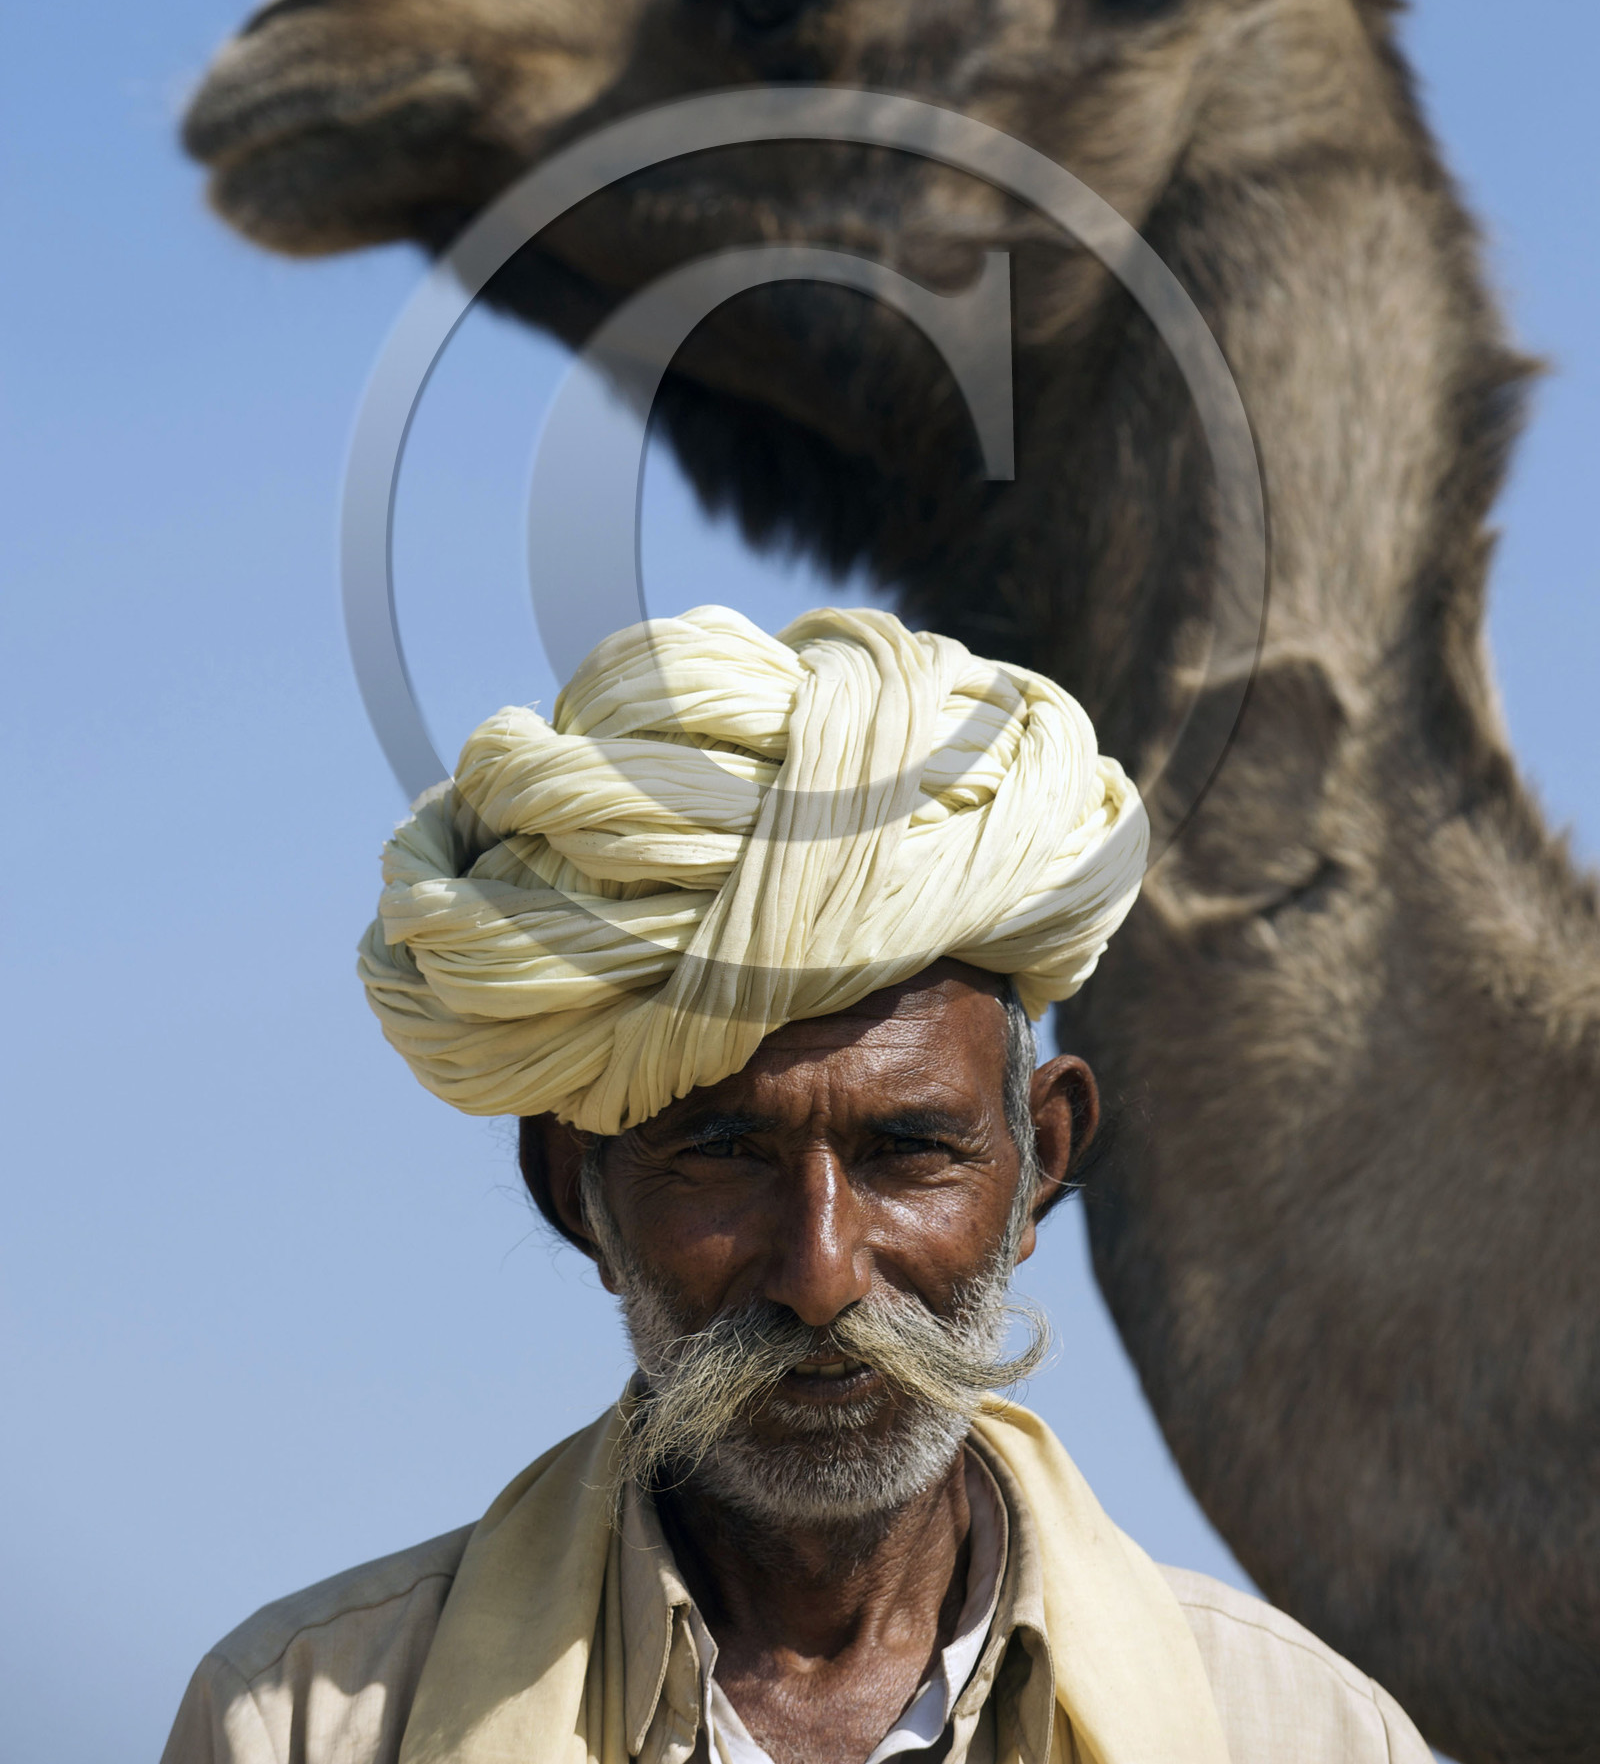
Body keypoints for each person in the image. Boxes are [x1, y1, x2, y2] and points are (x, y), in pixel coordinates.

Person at [162, 606, 1429, 1764]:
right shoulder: (307, 1723)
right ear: (575, 1189)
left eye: (908, 1151)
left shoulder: (1302, 1732)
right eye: (723, 1155)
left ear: (1042, 1162)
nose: (820, 1274)